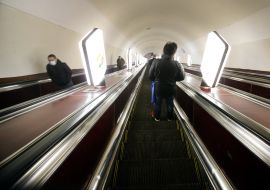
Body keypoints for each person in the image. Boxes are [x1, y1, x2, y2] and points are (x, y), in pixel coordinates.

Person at [149, 42, 185, 121]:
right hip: (171, 88)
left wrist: (157, 79)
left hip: (159, 88)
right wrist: (173, 79)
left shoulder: (156, 62)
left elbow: (150, 76)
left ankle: (157, 117)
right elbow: (182, 77)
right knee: (170, 103)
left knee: (158, 103)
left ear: (163, 51)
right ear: (174, 52)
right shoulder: (177, 64)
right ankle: (169, 117)